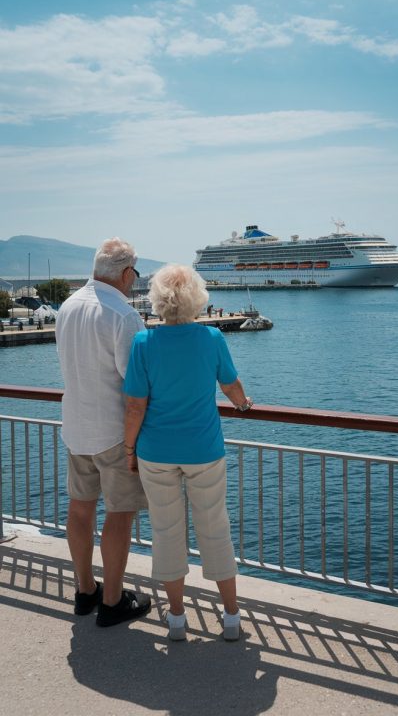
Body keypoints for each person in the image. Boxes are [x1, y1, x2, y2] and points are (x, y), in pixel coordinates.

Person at [123, 264, 252, 641]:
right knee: (215, 528)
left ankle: (177, 620)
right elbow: (231, 387)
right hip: (204, 449)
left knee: (166, 532)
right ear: (198, 298)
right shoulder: (211, 338)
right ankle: (230, 618)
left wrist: (130, 449)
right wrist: (244, 405)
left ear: (157, 300)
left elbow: (135, 406)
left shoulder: (143, 343)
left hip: (156, 451)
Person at [56, 237, 151, 627]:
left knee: (80, 509)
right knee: (120, 513)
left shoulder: (67, 306)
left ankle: (84, 590)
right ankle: (113, 601)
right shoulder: (123, 315)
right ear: (127, 273)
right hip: (113, 432)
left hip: (76, 426)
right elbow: (136, 384)